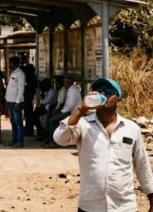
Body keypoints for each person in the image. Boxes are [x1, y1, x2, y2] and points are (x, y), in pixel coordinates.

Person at [54, 78, 153, 212]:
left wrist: (151, 197)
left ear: (118, 98)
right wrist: (81, 109)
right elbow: (60, 138)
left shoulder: (131, 128)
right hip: (90, 206)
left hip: (124, 207)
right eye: (98, 91)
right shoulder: (83, 125)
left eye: (108, 91)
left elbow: (142, 165)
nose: (103, 94)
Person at [44, 76, 80, 148]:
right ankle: (49, 140)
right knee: (50, 118)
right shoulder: (69, 90)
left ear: (68, 83)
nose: (64, 85)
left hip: (72, 113)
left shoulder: (73, 91)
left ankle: (52, 142)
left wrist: (60, 112)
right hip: (68, 111)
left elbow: (69, 106)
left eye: (65, 83)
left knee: (52, 121)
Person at [5, 56, 26, 147]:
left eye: (10, 63)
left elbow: (21, 89)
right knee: (13, 122)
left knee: (18, 122)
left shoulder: (20, 74)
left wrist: (18, 101)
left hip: (16, 102)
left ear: (14, 64)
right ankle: (14, 139)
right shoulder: (13, 73)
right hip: (10, 100)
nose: (9, 65)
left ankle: (20, 141)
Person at [20, 55, 38, 138]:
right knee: (27, 114)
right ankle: (28, 129)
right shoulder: (32, 77)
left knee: (28, 114)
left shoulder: (30, 77)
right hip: (29, 97)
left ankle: (29, 130)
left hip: (28, 97)